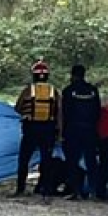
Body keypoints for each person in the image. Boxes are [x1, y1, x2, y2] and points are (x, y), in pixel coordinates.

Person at [13, 60, 62, 199]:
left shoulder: (28, 90)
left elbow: (18, 109)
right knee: (46, 160)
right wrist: (60, 131)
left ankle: (20, 189)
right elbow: (60, 113)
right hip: (48, 128)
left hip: (31, 128)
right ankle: (45, 190)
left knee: (24, 159)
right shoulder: (54, 91)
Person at [61, 64, 101, 200]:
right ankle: (93, 191)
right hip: (90, 129)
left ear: (72, 75)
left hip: (73, 129)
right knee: (91, 160)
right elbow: (98, 112)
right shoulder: (93, 91)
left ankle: (76, 191)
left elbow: (64, 113)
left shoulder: (68, 91)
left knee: (73, 160)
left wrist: (61, 132)